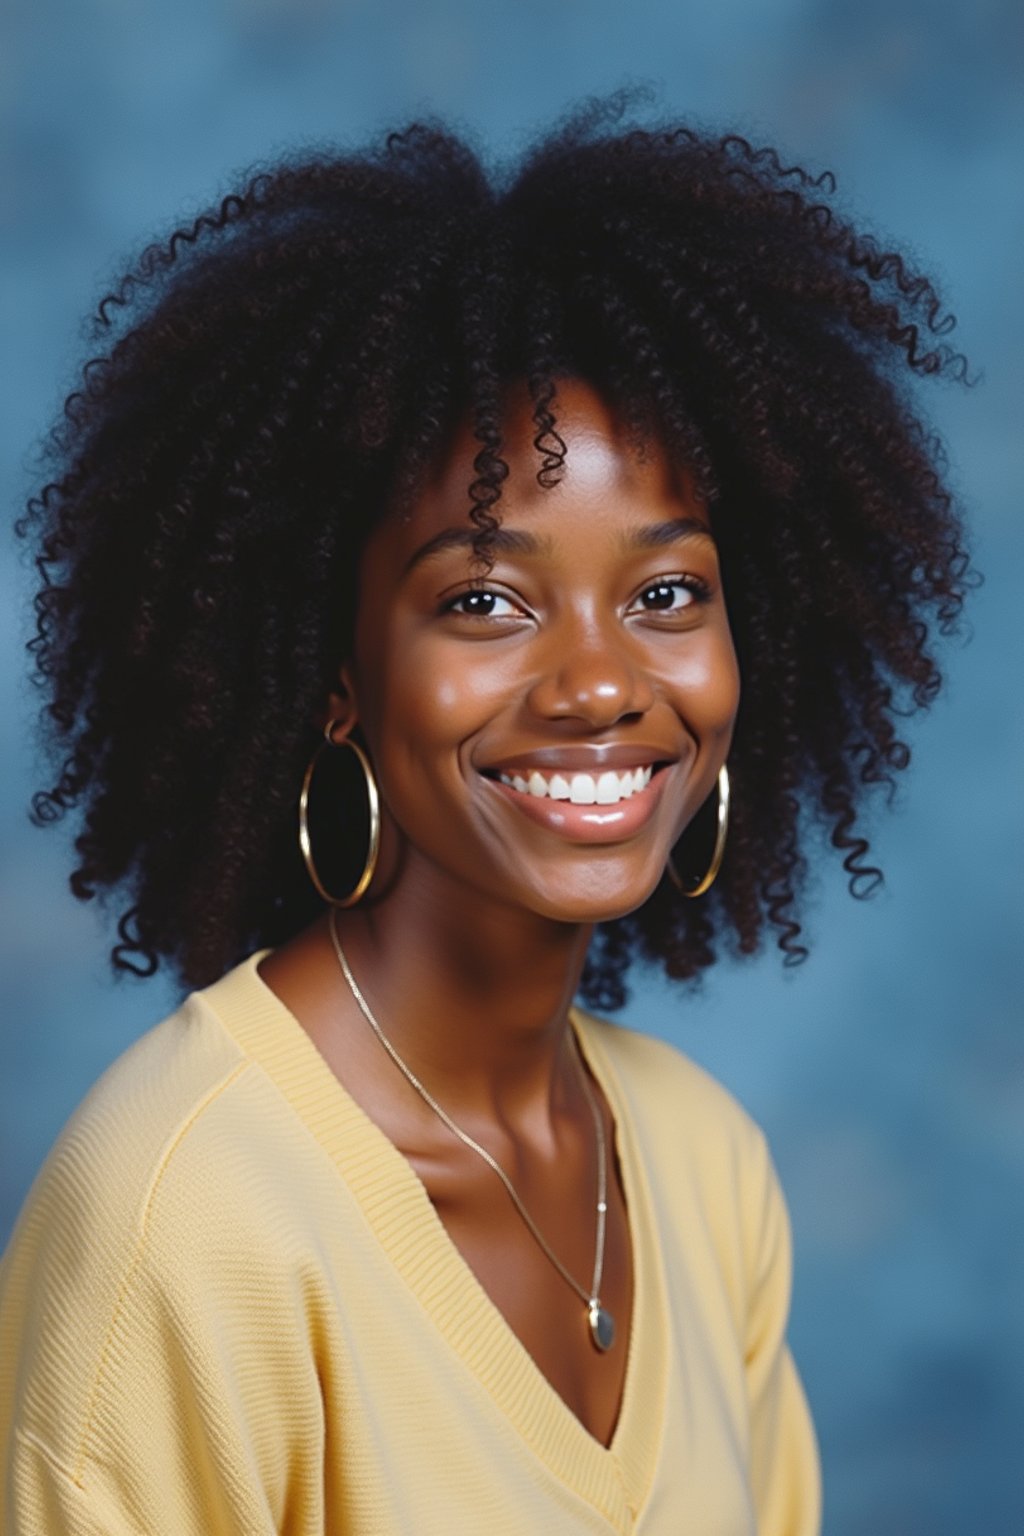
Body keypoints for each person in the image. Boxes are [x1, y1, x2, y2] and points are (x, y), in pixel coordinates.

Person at [0, 102, 969, 1535]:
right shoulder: (185, 1215)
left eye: (666, 594)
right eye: (484, 600)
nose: (599, 683)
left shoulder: (704, 1172)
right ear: (335, 675)